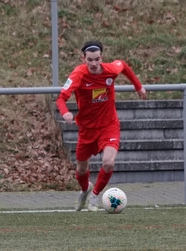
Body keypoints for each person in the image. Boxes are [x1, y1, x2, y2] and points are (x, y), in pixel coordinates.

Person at [56, 40, 146, 211]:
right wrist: (65, 112)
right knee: (81, 170)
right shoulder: (78, 74)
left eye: (97, 59)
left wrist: (139, 87)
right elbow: (61, 98)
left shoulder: (110, 70)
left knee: (108, 163)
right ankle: (85, 190)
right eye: (90, 60)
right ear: (83, 59)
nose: (94, 63)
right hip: (87, 129)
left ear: (101, 58)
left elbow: (123, 66)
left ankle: (95, 195)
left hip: (108, 125)